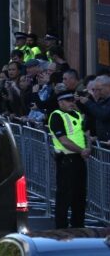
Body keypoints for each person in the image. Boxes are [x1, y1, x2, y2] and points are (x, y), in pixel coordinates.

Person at [47, 90, 90, 229]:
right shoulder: (56, 116)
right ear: (60, 102)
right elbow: (64, 140)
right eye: (68, 101)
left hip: (79, 159)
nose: (72, 103)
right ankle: (61, 228)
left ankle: (78, 226)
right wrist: (82, 150)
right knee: (65, 196)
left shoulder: (76, 114)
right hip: (66, 159)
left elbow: (86, 133)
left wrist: (88, 147)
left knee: (79, 195)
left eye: (73, 100)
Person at [78, 74, 110, 144]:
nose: (97, 92)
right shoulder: (102, 100)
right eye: (95, 89)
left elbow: (103, 114)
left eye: (99, 89)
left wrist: (88, 103)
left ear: (108, 87)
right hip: (103, 143)